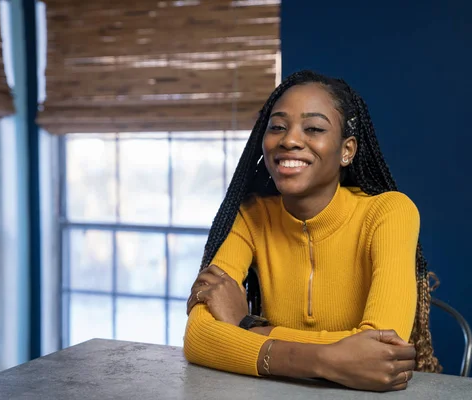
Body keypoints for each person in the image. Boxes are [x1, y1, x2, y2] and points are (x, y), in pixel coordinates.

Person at [183, 70, 441, 392]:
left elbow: (382, 352)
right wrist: (327, 360)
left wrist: (248, 327)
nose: (289, 140)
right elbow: (198, 336)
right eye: (277, 127)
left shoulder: (389, 213)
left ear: (347, 150)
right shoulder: (252, 216)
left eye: (314, 128)